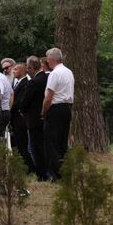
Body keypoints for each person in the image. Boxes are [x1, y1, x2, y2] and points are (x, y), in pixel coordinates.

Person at [43, 47, 74, 181]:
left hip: (55, 108)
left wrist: (44, 112)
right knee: (62, 141)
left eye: (48, 59)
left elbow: (49, 96)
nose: (47, 62)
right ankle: (66, 170)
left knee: (52, 141)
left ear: (52, 59)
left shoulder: (54, 74)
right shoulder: (68, 72)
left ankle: (57, 174)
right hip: (67, 107)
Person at [18, 56, 49, 180]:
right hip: (45, 117)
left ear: (31, 68)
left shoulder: (34, 82)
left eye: (27, 68)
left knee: (37, 147)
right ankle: (48, 171)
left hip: (34, 119)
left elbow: (25, 100)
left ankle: (41, 174)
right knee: (45, 145)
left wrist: (22, 109)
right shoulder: (47, 78)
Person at [10, 63, 35, 175]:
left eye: (16, 69)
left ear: (23, 71)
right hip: (15, 119)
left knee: (23, 143)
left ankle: (29, 168)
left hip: (20, 120)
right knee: (18, 144)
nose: (13, 71)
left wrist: (8, 107)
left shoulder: (25, 84)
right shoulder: (16, 83)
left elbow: (19, 102)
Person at [0, 63, 13, 138]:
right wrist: (9, 107)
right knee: (1, 137)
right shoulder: (4, 77)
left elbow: (0, 94)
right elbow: (12, 93)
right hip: (5, 110)